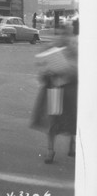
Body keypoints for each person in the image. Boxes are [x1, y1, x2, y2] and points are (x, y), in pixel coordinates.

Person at [30, 34, 77, 163]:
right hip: (54, 92)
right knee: (52, 121)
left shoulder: (76, 56)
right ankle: (50, 150)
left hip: (70, 93)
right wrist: (46, 73)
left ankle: (72, 144)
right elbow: (42, 75)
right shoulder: (53, 52)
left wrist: (67, 72)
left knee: (73, 119)